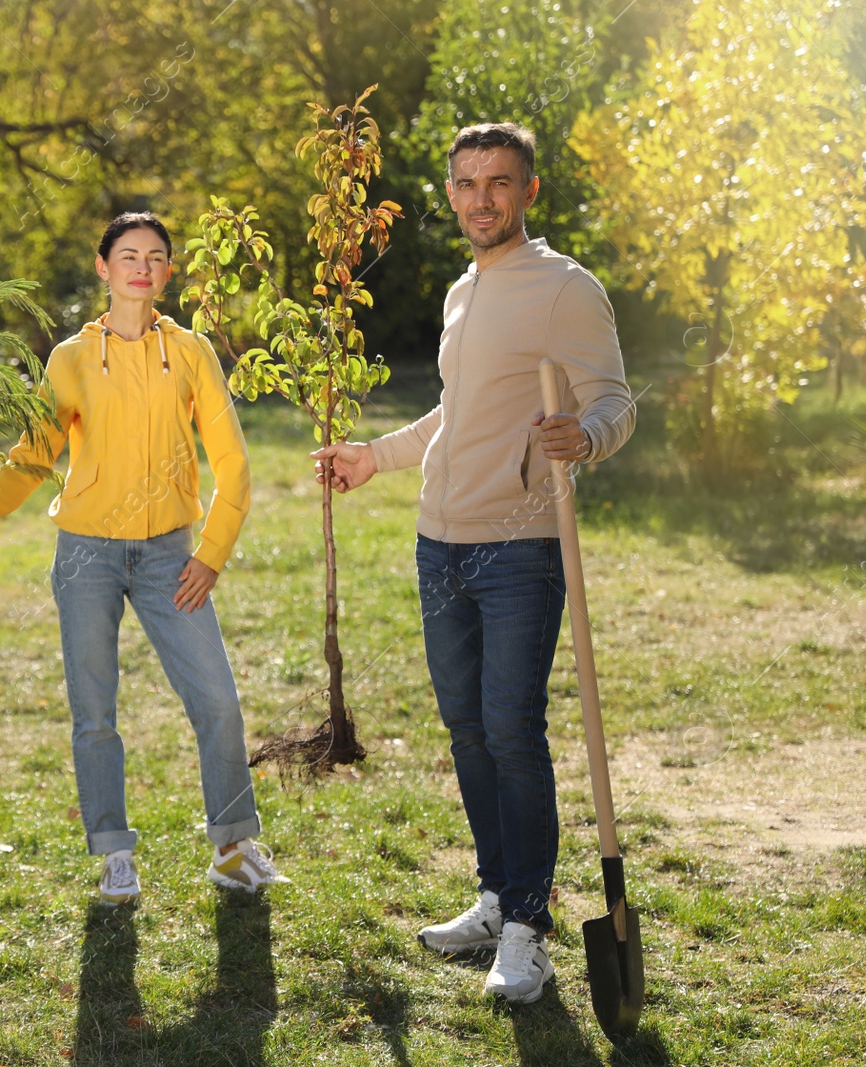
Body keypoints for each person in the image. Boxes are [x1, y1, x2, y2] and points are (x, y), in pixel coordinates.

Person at [314, 123, 635, 1004]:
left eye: (499, 182)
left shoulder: (566, 289)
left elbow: (613, 400)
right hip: (439, 541)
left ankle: (529, 926)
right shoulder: (464, 290)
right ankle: (496, 896)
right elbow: (455, 412)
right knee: (466, 728)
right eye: (466, 183)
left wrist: (589, 434)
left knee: (511, 728)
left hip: (520, 545)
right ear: (450, 191)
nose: (481, 198)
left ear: (528, 191)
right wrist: (374, 455)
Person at [0, 212, 288, 906]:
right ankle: (115, 854)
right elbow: (29, 461)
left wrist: (210, 554)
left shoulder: (193, 353)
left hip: (170, 556)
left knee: (217, 698)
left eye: (154, 257)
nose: (141, 267)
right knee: (95, 713)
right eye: (127, 255)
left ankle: (234, 848)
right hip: (86, 555)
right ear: (103, 267)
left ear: (167, 272)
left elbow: (233, 463)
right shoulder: (70, 360)